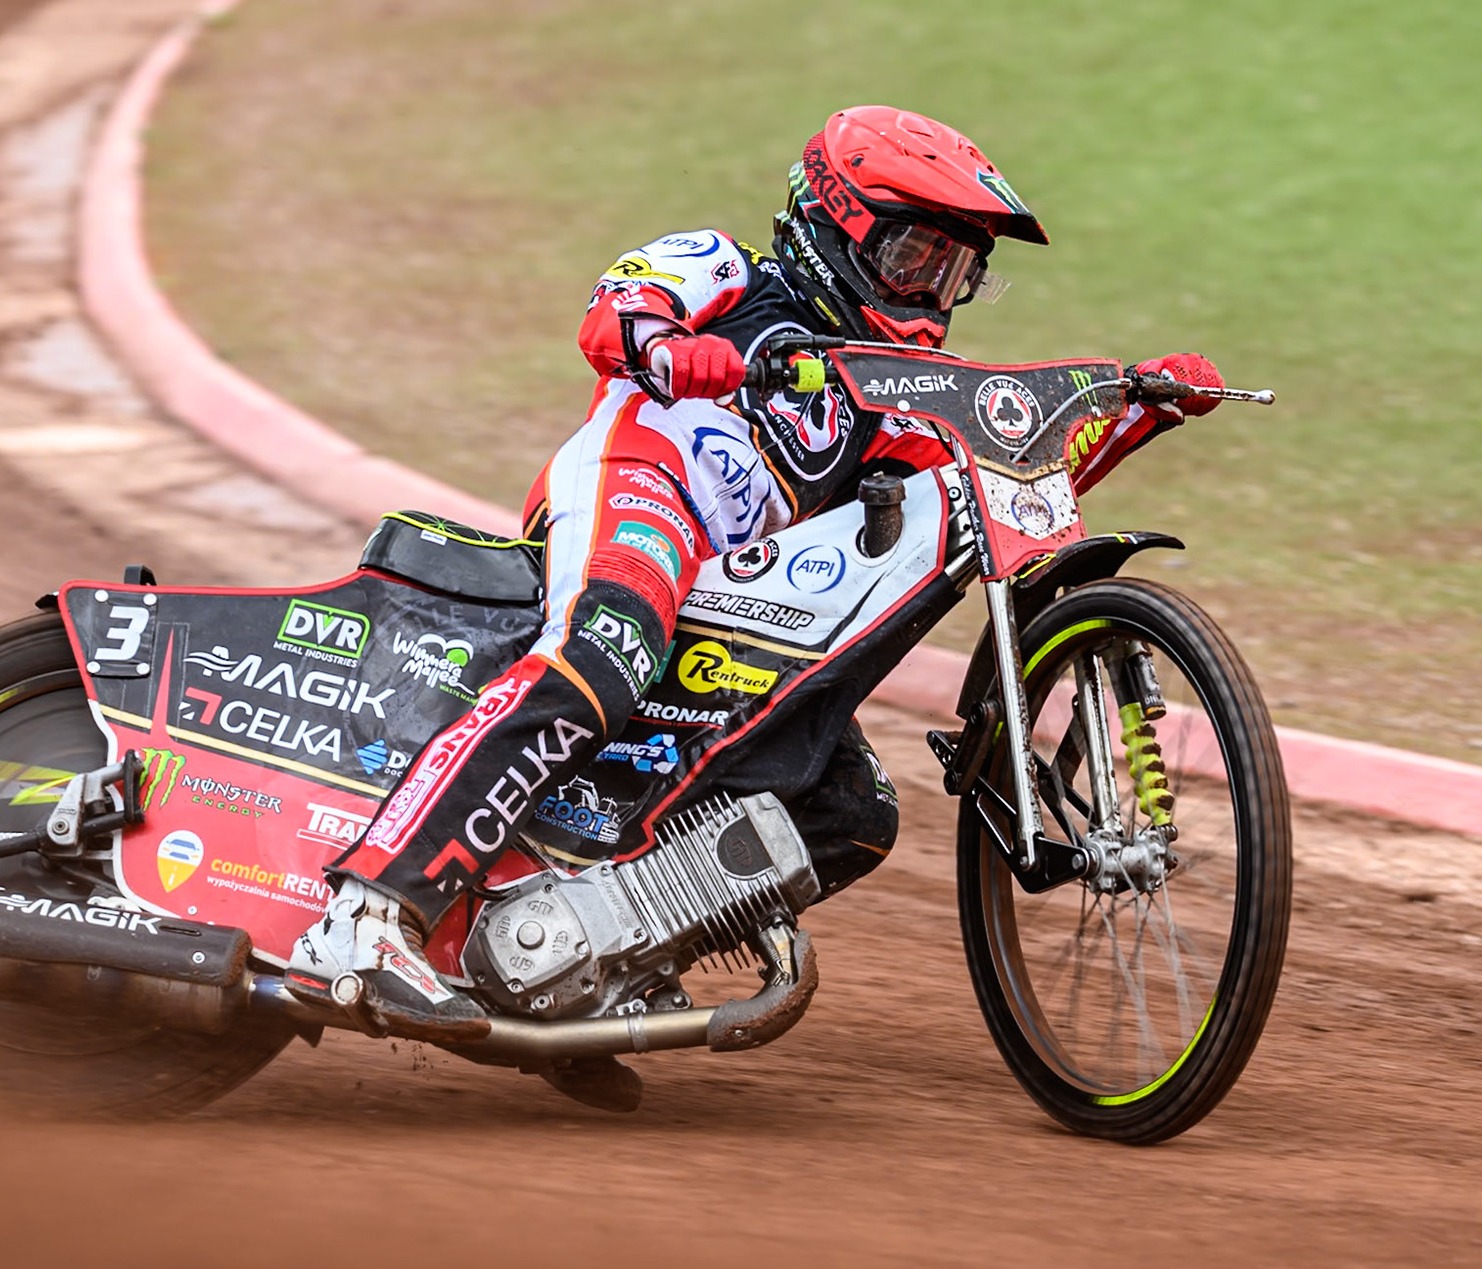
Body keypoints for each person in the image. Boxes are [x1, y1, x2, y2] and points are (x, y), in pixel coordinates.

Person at [286, 105, 1223, 1048]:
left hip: (736, 585)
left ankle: (597, 963)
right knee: (604, 654)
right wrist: (669, 346)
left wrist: (1140, 408)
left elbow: (998, 483)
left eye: (955, 272)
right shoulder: (726, 267)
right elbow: (616, 306)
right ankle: (366, 916)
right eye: (911, 261)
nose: (931, 293)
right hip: (639, 484)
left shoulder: (894, 391)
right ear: (832, 222)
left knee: (849, 807)